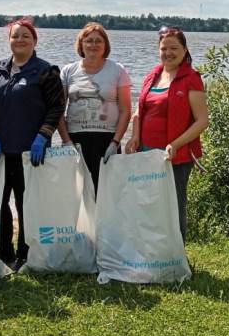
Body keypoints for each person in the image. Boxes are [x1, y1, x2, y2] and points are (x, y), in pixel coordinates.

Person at [0, 17, 65, 272]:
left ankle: (26, 254)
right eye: (15, 36)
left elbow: (56, 107)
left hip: (32, 153)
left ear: (34, 41)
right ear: (9, 40)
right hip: (0, 152)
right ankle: (3, 252)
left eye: (25, 36)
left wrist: (43, 135)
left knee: (26, 203)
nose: (20, 40)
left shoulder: (46, 71)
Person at [125, 26, 209, 240]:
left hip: (176, 155)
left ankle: (176, 256)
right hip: (146, 152)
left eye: (174, 47)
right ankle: (152, 252)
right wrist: (134, 136)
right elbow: (139, 112)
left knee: (174, 204)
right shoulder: (152, 76)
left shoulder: (191, 78)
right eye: (164, 48)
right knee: (149, 203)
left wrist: (176, 144)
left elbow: (202, 121)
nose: (168, 53)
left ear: (184, 49)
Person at [57, 22, 132, 192]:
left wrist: (116, 142)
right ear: (81, 44)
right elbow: (58, 110)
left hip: (107, 140)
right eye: (89, 41)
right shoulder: (68, 71)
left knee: (106, 193)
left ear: (105, 45)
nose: (93, 45)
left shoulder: (118, 70)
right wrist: (66, 141)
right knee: (77, 193)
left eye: (99, 41)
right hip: (76, 139)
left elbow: (125, 110)